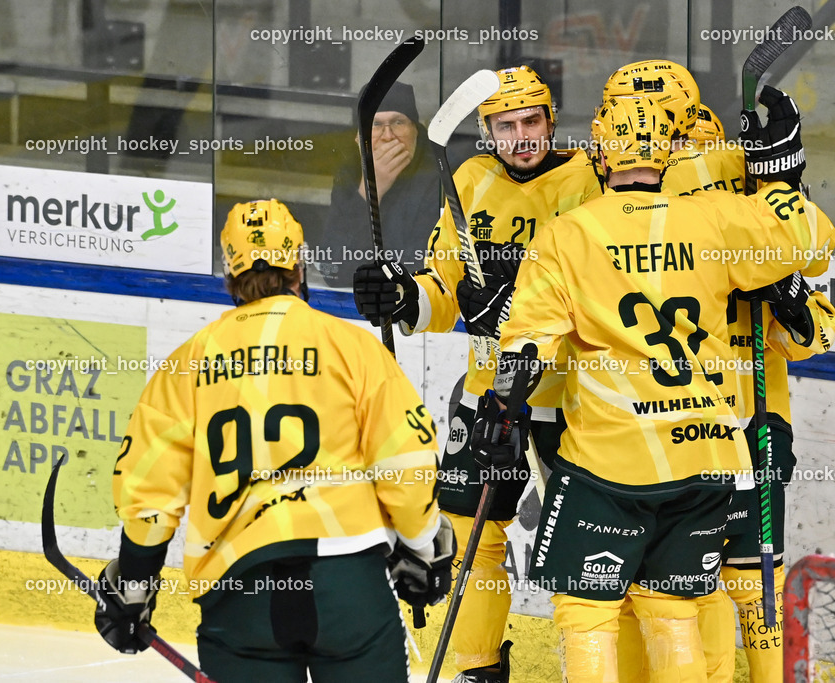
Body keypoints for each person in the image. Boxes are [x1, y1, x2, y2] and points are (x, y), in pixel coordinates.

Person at [481, 91, 835, 682]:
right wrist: (782, 171)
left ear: (599, 147)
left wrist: (503, 413)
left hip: (611, 461)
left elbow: (527, 342)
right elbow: (814, 240)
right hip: (707, 457)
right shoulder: (716, 217)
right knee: (674, 611)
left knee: (586, 612)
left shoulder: (569, 233)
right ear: (671, 149)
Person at [93, 199, 455, 683]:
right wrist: (422, 548)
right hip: (346, 584)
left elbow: (148, 491)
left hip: (240, 595)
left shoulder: (186, 363)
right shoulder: (350, 347)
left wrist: (134, 587)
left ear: (228, 272)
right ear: (299, 263)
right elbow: (406, 461)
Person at [352, 65, 601, 682]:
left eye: (532, 121)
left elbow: (606, 295)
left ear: (551, 120)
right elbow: (447, 285)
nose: (521, 136)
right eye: (506, 125)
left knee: (587, 557)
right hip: (489, 397)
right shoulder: (470, 180)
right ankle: (478, 671)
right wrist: (406, 299)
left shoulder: (591, 183)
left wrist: (519, 307)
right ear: (488, 132)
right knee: (468, 536)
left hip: (570, 403)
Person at [605, 59, 835, 683]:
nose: (642, 128)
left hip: (749, 414)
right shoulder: (606, 181)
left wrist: (777, 176)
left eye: (655, 115)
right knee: (681, 585)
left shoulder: (734, 163)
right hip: (659, 424)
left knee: (756, 580)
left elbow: (815, 306)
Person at [319, 81, 441, 286]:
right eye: (375, 124)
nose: (388, 136)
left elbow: (420, 271)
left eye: (398, 122)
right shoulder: (350, 172)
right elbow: (333, 269)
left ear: (416, 130)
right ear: (359, 137)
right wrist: (370, 191)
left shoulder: (439, 175)